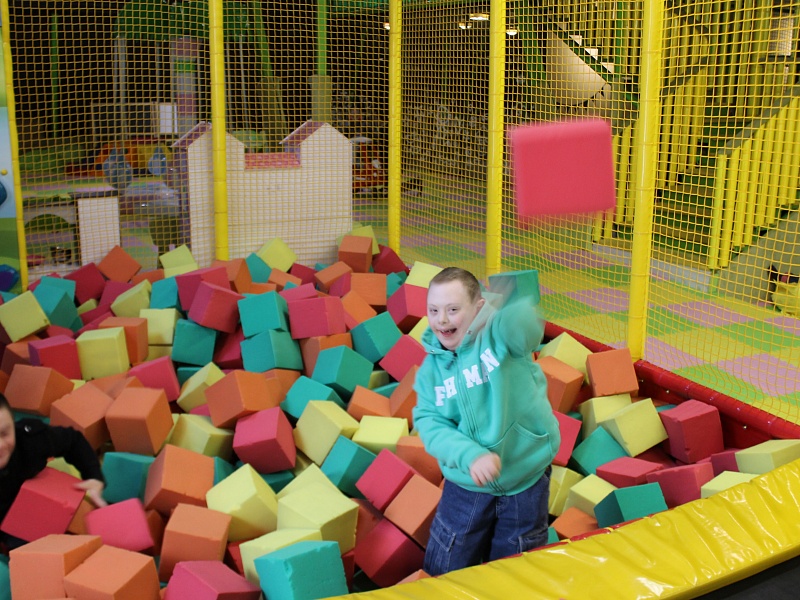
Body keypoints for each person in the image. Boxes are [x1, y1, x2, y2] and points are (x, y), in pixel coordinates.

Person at [412, 267, 560, 576]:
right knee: (448, 559)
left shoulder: (499, 334)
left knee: (516, 563)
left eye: (453, 310)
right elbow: (430, 423)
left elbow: (527, 331)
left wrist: (513, 305)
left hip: (524, 475)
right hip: (466, 482)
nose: (442, 320)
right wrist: (470, 455)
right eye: (434, 310)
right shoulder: (430, 372)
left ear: (478, 309)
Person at [0, 392, 106, 553]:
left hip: (34, 514)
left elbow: (73, 440)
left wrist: (93, 475)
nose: (0, 446)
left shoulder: (31, 440)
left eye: (4, 433)